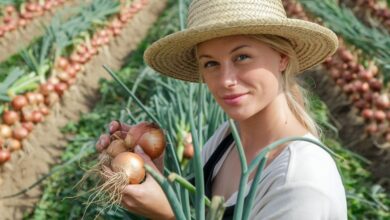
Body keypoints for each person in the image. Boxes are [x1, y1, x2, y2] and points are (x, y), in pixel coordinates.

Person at [96, 0, 347, 219]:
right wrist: (157, 177)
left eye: (242, 57)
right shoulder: (228, 136)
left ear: (283, 57)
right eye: (211, 63)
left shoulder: (302, 182)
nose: (226, 79)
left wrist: (170, 215)